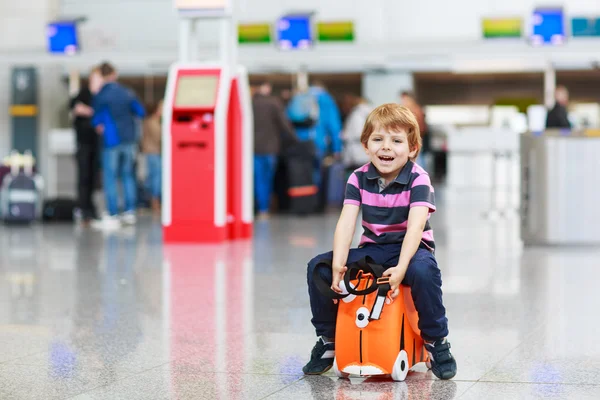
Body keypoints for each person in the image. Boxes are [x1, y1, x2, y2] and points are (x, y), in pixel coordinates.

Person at [302, 103, 457, 380]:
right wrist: (338, 262)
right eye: (378, 139)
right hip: (373, 250)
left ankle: (436, 341)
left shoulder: (419, 178)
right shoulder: (358, 177)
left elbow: (415, 227)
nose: (386, 148)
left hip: (412, 248)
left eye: (396, 141)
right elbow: (347, 221)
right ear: (365, 145)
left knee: (423, 271)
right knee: (319, 267)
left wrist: (401, 268)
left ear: (411, 149)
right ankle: (328, 339)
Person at [91, 62, 146, 229]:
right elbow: (141, 112)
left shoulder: (101, 95)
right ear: (115, 74)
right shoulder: (127, 93)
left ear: (102, 75)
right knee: (128, 175)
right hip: (129, 140)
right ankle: (129, 212)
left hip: (111, 141)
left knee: (110, 177)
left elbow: (96, 120)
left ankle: (113, 213)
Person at [252, 81, 296, 219]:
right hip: (271, 148)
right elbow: (284, 125)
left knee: (257, 179)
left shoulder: (250, 103)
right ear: (268, 88)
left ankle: (259, 208)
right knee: (268, 179)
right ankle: (265, 208)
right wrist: (295, 139)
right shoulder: (274, 103)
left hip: (253, 148)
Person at [69, 69, 100, 225]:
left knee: (93, 178)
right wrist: (91, 112)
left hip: (96, 144)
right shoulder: (83, 93)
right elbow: (74, 106)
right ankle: (83, 208)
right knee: (83, 177)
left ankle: (91, 209)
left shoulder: (100, 96)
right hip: (83, 143)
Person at [141, 100, 163, 216]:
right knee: (156, 177)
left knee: (154, 177)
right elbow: (159, 137)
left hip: (154, 152)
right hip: (153, 152)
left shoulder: (154, 121)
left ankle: (154, 200)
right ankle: (154, 201)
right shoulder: (153, 122)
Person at [341, 95, 372, 171]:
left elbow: (358, 133)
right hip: (364, 152)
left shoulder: (357, 114)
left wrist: (345, 135)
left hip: (357, 152)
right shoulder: (369, 113)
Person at [400, 91, 428, 168]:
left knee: (417, 159)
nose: (403, 102)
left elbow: (421, 128)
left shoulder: (415, 110)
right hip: (412, 138)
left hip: (415, 138)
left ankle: (419, 177)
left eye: (405, 100)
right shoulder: (409, 110)